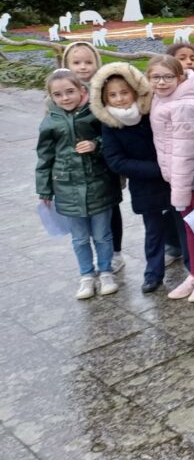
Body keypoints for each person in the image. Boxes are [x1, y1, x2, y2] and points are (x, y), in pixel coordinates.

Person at [36, 69, 119, 299]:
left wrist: (95, 145)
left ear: (82, 90)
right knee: (79, 238)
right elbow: (44, 158)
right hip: (67, 188)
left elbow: (111, 140)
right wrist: (44, 189)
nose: (65, 98)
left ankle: (106, 271)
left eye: (70, 91)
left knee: (103, 234)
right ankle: (86, 275)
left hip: (98, 184)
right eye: (58, 94)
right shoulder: (50, 122)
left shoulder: (95, 114)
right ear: (51, 97)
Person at [90, 63, 172, 294]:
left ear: (135, 92)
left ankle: (192, 266)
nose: (120, 99)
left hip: (172, 177)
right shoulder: (110, 125)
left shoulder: (149, 113)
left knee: (179, 222)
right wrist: (158, 169)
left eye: (124, 92)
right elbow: (116, 160)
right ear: (104, 98)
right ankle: (153, 273)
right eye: (113, 95)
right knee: (153, 229)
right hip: (145, 182)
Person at [61, 41, 126, 273]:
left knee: (111, 207)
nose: (83, 67)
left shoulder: (103, 92)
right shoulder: (59, 95)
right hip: (76, 165)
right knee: (84, 212)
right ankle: (95, 254)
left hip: (104, 162)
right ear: (66, 64)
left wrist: (99, 146)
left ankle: (115, 252)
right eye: (76, 62)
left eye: (88, 62)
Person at [147, 55, 194, 301]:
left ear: (180, 78)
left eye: (168, 77)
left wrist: (181, 190)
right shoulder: (161, 98)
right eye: (155, 77)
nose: (161, 82)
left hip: (189, 180)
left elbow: (185, 151)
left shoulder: (183, 105)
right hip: (178, 178)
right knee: (192, 228)